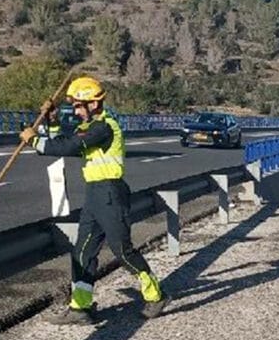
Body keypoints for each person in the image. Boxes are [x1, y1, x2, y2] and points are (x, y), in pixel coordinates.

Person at [20, 76, 171, 323]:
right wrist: (52, 120)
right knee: (82, 252)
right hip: (95, 194)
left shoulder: (104, 127)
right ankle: (81, 308)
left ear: (93, 104)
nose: (76, 111)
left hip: (110, 194)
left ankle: (156, 296)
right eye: (74, 107)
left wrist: (35, 140)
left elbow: (70, 146)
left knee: (122, 251)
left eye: (79, 106)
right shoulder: (91, 125)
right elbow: (63, 141)